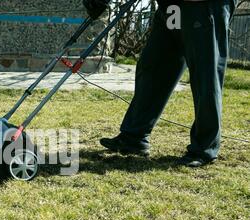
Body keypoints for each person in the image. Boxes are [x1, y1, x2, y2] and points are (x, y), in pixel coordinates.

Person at [83, 0, 236, 167]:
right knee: (154, 66)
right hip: (171, 6)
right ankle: (134, 137)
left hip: (203, 5)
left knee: (205, 75)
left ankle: (204, 148)